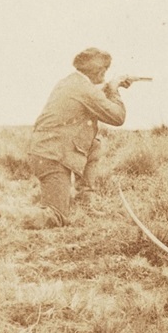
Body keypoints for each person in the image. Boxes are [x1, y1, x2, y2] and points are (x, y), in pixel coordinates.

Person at [24, 47, 131, 227]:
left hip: (45, 151)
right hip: (52, 158)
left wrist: (107, 87)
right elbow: (118, 117)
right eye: (104, 72)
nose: (105, 76)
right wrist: (114, 89)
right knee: (55, 216)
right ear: (100, 71)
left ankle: (86, 200)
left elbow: (91, 98)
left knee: (95, 144)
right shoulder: (86, 90)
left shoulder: (69, 82)